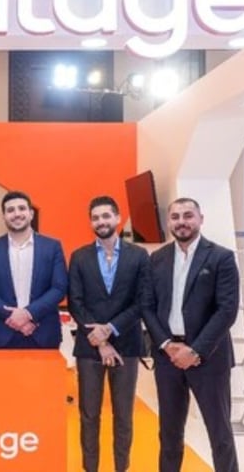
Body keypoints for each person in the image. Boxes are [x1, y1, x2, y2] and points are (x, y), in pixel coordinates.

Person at [142, 197, 240, 472]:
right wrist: (166, 344)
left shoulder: (221, 257)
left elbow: (227, 310)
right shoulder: (157, 259)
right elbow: (147, 306)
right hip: (168, 357)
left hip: (208, 357)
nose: (181, 222)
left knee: (220, 434)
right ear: (169, 222)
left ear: (200, 219)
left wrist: (195, 350)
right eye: (175, 217)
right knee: (169, 433)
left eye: (188, 215)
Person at [68, 195, 150, 472]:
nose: (101, 221)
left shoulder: (139, 256)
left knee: (123, 416)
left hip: (126, 344)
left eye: (106, 216)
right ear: (90, 222)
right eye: (95, 217)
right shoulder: (79, 257)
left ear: (117, 218)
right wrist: (100, 340)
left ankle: (121, 468)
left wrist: (110, 329)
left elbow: (142, 301)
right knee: (89, 415)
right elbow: (75, 302)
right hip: (89, 347)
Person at [0, 190, 67, 349]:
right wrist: (14, 318)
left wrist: (28, 314)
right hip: (0, 336)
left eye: (22, 208)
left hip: (43, 334)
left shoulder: (52, 247)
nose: (17, 214)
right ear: (4, 216)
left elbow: (59, 288)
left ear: (31, 214)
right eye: (10, 210)